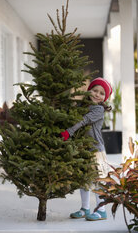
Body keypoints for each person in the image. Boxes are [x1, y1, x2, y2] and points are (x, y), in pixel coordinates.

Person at [60, 77, 112, 221]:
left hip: (96, 150)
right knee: (84, 180)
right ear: (89, 91)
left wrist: (69, 132)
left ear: (104, 98)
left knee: (97, 179)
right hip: (83, 149)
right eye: (94, 90)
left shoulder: (99, 110)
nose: (97, 94)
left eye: (101, 93)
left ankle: (101, 210)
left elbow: (84, 121)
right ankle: (85, 208)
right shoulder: (83, 107)